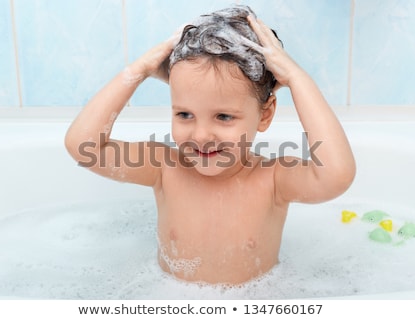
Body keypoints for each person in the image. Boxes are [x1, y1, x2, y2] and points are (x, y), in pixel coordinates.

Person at [65, 6, 356, 284]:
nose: (201, 135)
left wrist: (296, 79)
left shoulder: (273, 178)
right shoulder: (165, 167)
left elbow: (336, 175)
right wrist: (139, 69)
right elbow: (83, 146)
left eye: (224, 116)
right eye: (184, 114)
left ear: (264, 114)